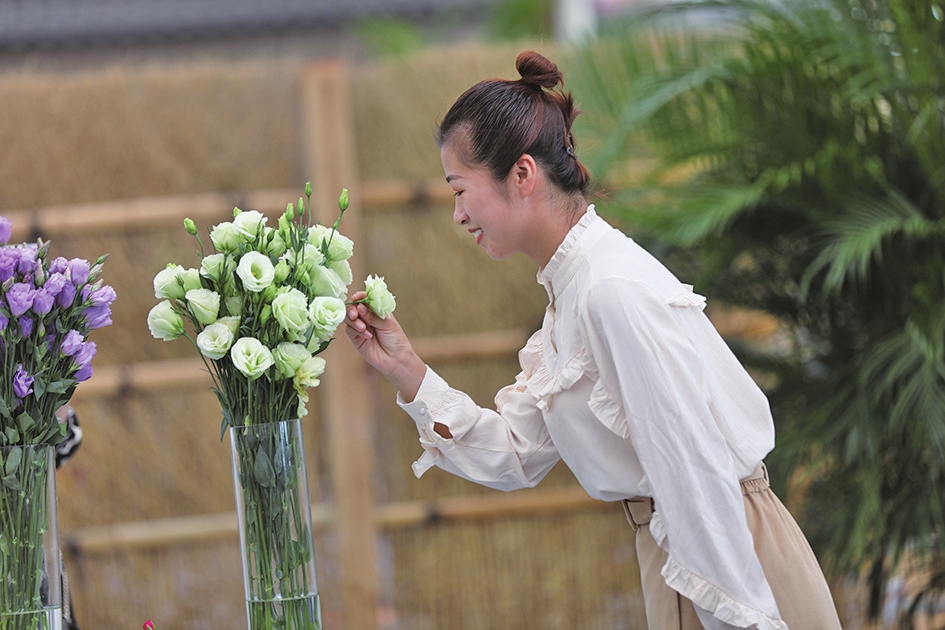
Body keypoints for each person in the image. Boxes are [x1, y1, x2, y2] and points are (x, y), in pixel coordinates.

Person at [344, 50, 842, 630]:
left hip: (734, 567)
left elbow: (695, 471)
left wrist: (748, 621)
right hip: (680, 558)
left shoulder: (609, 291)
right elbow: (516, 454)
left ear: (523, 175)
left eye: (460, 189)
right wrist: (406, 368)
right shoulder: (573, 296)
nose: (457, 214)